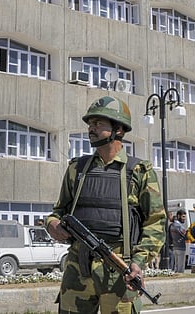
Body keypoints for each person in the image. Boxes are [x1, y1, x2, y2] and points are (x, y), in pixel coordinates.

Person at [46, 96, 166, 314]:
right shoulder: (77, 169)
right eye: (90, 124)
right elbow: (57, 212)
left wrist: (138, 263)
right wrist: (53, 225)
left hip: (119, 267)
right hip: (77, 266)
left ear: (118, 130)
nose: (91, 129)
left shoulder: (140, 171)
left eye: (98, 124)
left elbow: (155, 224)